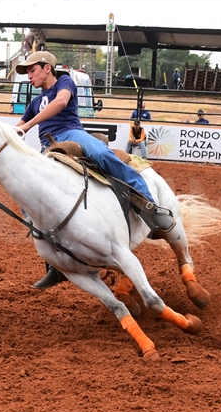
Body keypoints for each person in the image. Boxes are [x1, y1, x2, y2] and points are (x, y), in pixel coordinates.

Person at [14, 51, 175, 289]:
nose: (29, 75)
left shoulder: (64, 81)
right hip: (48, 145)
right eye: (27, 72)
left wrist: (27, 125)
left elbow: (60, 103)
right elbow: (16, 126)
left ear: (47, 67)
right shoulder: (35, 102)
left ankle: (151, 207)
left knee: (100, 154)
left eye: (32, 70)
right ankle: (54, 264)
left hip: (70, 134)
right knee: (26, 191)